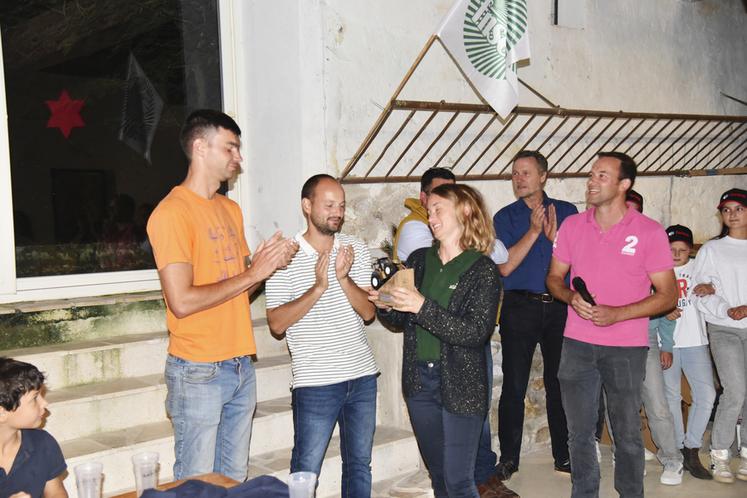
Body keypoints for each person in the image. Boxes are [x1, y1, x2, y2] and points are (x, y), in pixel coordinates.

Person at [146, 109, 297, 481]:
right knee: (197, 484)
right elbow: (182, 301)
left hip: (240, 364)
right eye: (230, 147)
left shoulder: (229, 209)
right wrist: (252, 272)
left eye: (238, 149)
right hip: (198, 369)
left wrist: (265, 267)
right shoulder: (171, 213)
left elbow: (238, 291)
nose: (238, 157)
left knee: (233, 480)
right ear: (200, 147)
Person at [546, 151, 677, 498]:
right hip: (576, 342)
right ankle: (584, 492)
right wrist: (569, 297)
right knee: (579, 432)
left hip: (626, 346)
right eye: (591, 174)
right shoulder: (572, 226)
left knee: (627, 430)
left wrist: (617, 314)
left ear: (624, 185)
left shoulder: (649, 232)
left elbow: (668, 296)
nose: (592, 181)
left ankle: (631, 493)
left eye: (602, 175)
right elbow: (554, 279)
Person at [371, 183, 502, 498]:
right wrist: (386, 306)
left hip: (462, 383)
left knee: (459, 481)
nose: (430, 217)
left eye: (438, 209)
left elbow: (474, 333)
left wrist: (421, 305)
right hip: (420, 383)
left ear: (465, 211)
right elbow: (402, 320)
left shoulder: (483, 270)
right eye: (429, 211)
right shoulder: (419, 260)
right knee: (440, 477)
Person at [265, 174, 378, 496]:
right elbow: (276, 324)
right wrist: (318, 288)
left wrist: (343, 279)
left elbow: (368, 313)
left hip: (362, 376)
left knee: (359, 465)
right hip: (315, 381)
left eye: (341, 206)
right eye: (329, 205)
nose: (337, 212)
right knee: (305, 469)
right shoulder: (285, 256)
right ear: (307, 205)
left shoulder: (353, 248)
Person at [492, 150, 577, 480]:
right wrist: (533, 231)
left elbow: (580, 262)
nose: (518, 179)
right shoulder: (505, 217)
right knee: (514, 385)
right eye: (514, 173)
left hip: (559, 307)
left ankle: (564, 455)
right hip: (519, 306)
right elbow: (505, 265)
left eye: (525, 173)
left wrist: (557, 241)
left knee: (560, 383)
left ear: (543, 176)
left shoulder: (568, 213)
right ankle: (509, 459)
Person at [651, 224, 715, 480]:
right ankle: (676, 447)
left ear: (691, 250)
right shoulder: (655, 271)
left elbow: (713, 285)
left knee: (707, 394)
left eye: (682, 249)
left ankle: (692, 446)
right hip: (666, 342)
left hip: (695, 340)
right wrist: (662, 308)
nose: (676, 254)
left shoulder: (698, 268)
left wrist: (711, 287)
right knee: (670, 396)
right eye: (671, 249)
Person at [692, 187, 747, 483]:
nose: (732, 214)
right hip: (724, 327)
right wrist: (727, 308)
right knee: (735, 389)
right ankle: (720, 454)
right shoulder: (712, 250)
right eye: (727, 210)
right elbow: (699, 290)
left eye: (738, 208)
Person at [0, 357, 67, 498]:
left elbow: (56, 493)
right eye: (35, 398)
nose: (44, 403)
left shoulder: (42, 443)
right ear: (2, 412)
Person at [393, 167, 456, 263]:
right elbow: (440, 264)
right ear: (423, 197)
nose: (447, 199)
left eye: (452, 194)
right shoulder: (412, 227)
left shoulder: (454, 220)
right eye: (440, 193)